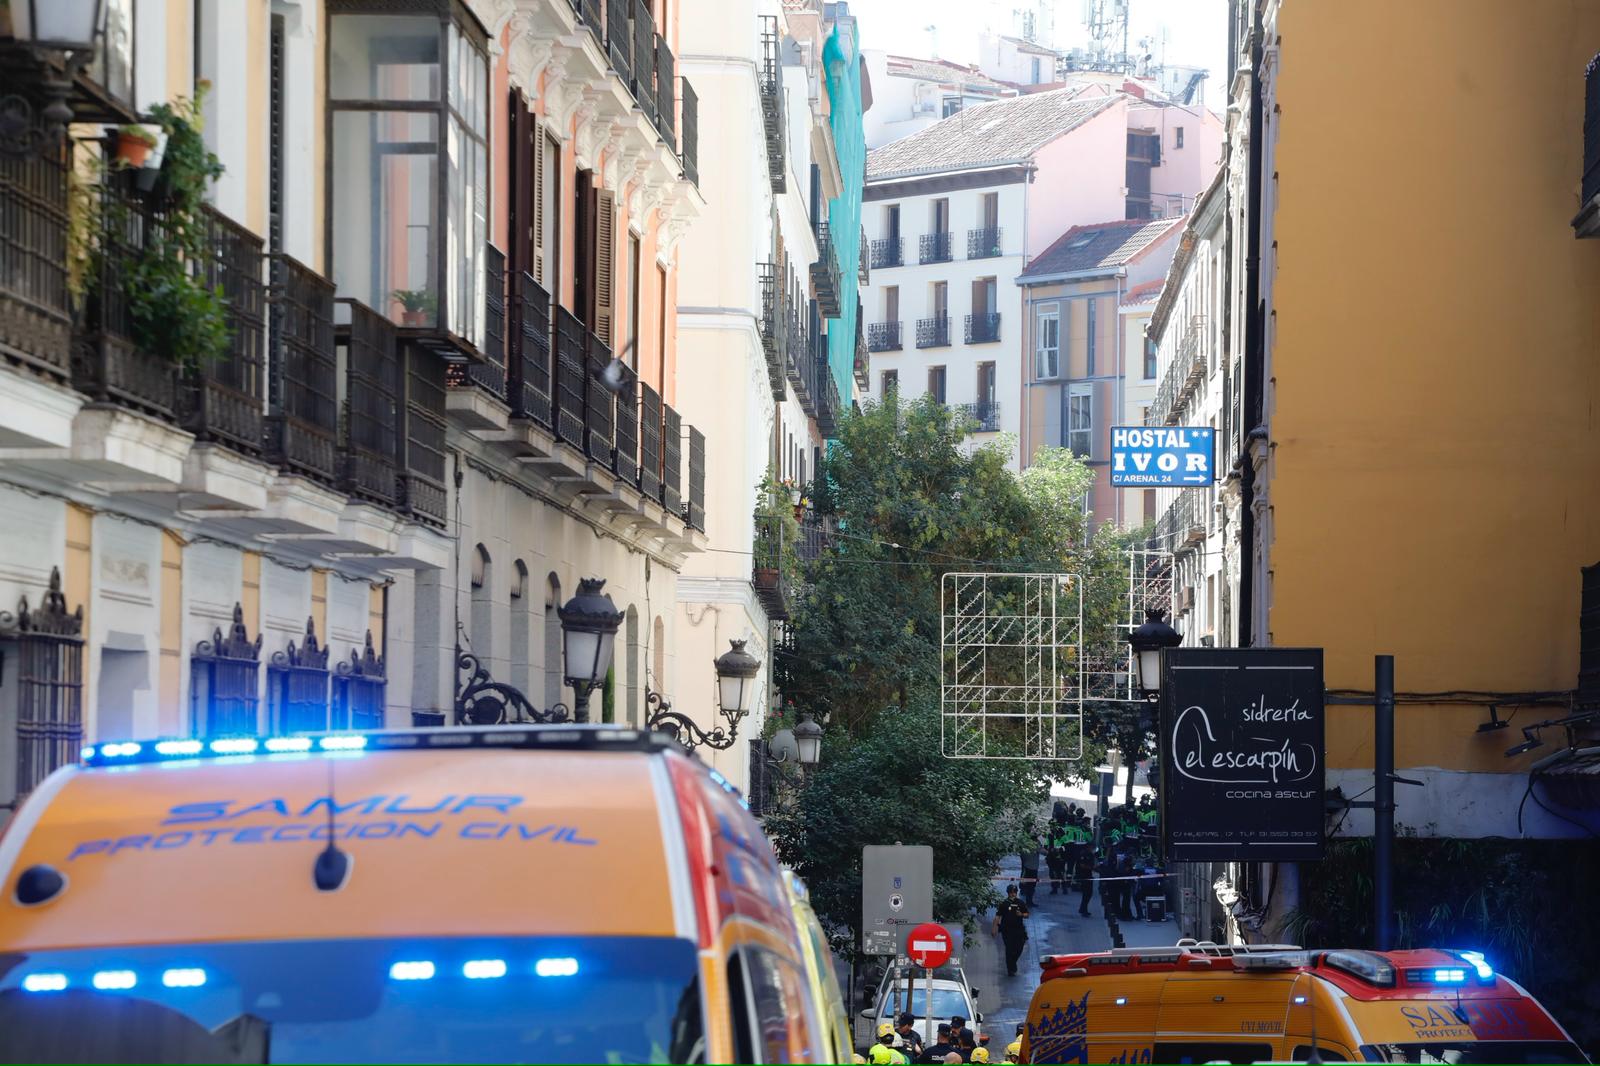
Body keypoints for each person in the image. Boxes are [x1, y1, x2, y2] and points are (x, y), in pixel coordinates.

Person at [993, 882, 1030, 976]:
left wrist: (1021, 914)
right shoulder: (1004, 904)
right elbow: (997, 916)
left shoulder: (1020, 903)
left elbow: (1027, 914)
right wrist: (994, 928)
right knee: (1009, 949)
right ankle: (1011, 968)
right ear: (1008, 893)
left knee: (1019, 948)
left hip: (1019, 930)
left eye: (1014, 892)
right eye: (1011, 892)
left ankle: (1013, 962)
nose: (1013, 894)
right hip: (1007, 931)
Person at [1073, 845, 1095, 916]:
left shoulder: (1090, 854)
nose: (1093, 849)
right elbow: (1082, 865)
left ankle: (1083, 909)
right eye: (1092, 847)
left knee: (1088, 893)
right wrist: (1092, 868)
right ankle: (1083, 910)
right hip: (1083, 875)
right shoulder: (1083, 854)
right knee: (1087, 893)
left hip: (1088, 875)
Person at [1019, 835, 1041, 905]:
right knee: (1031, 886)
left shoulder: (1025, 844)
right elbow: (1044, 852)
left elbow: (1021, 854)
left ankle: (1027, 899)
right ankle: (1029, 901)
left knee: (1027, 884)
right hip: (1033, 868)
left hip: (1027, 867)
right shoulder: (1035, 845)